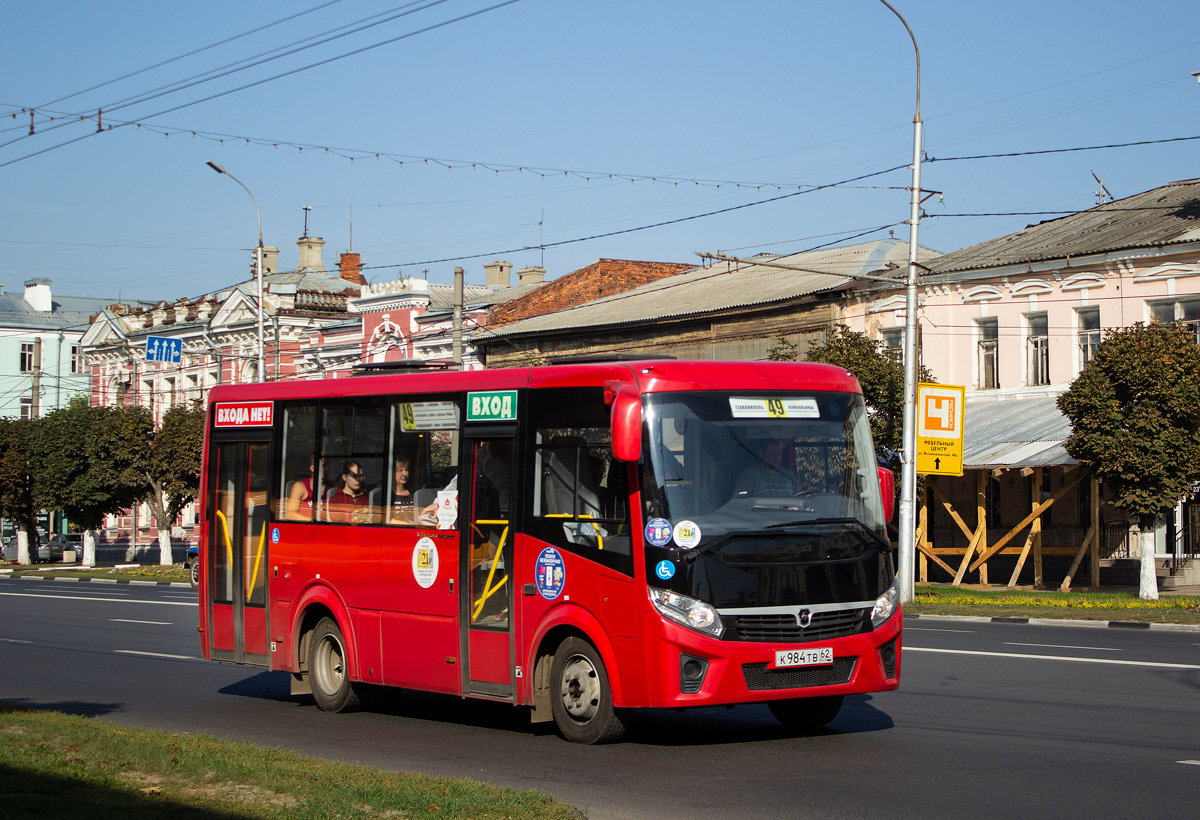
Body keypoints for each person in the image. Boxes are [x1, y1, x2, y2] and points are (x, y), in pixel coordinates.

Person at [732, 439, 797, 498]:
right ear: (761, 453)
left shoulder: (789, 475)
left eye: (779, 454)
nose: (777, 458)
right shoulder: (748, 475)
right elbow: (738, 503)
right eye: (772, 454)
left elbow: (801, 499)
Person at [283, 455, 316, 521]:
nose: (327, 469)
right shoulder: (300, 486)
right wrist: (313, 522)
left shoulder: (331, 488)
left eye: (328, 465)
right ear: (313, 468)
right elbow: (289, 514)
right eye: (323, 466)